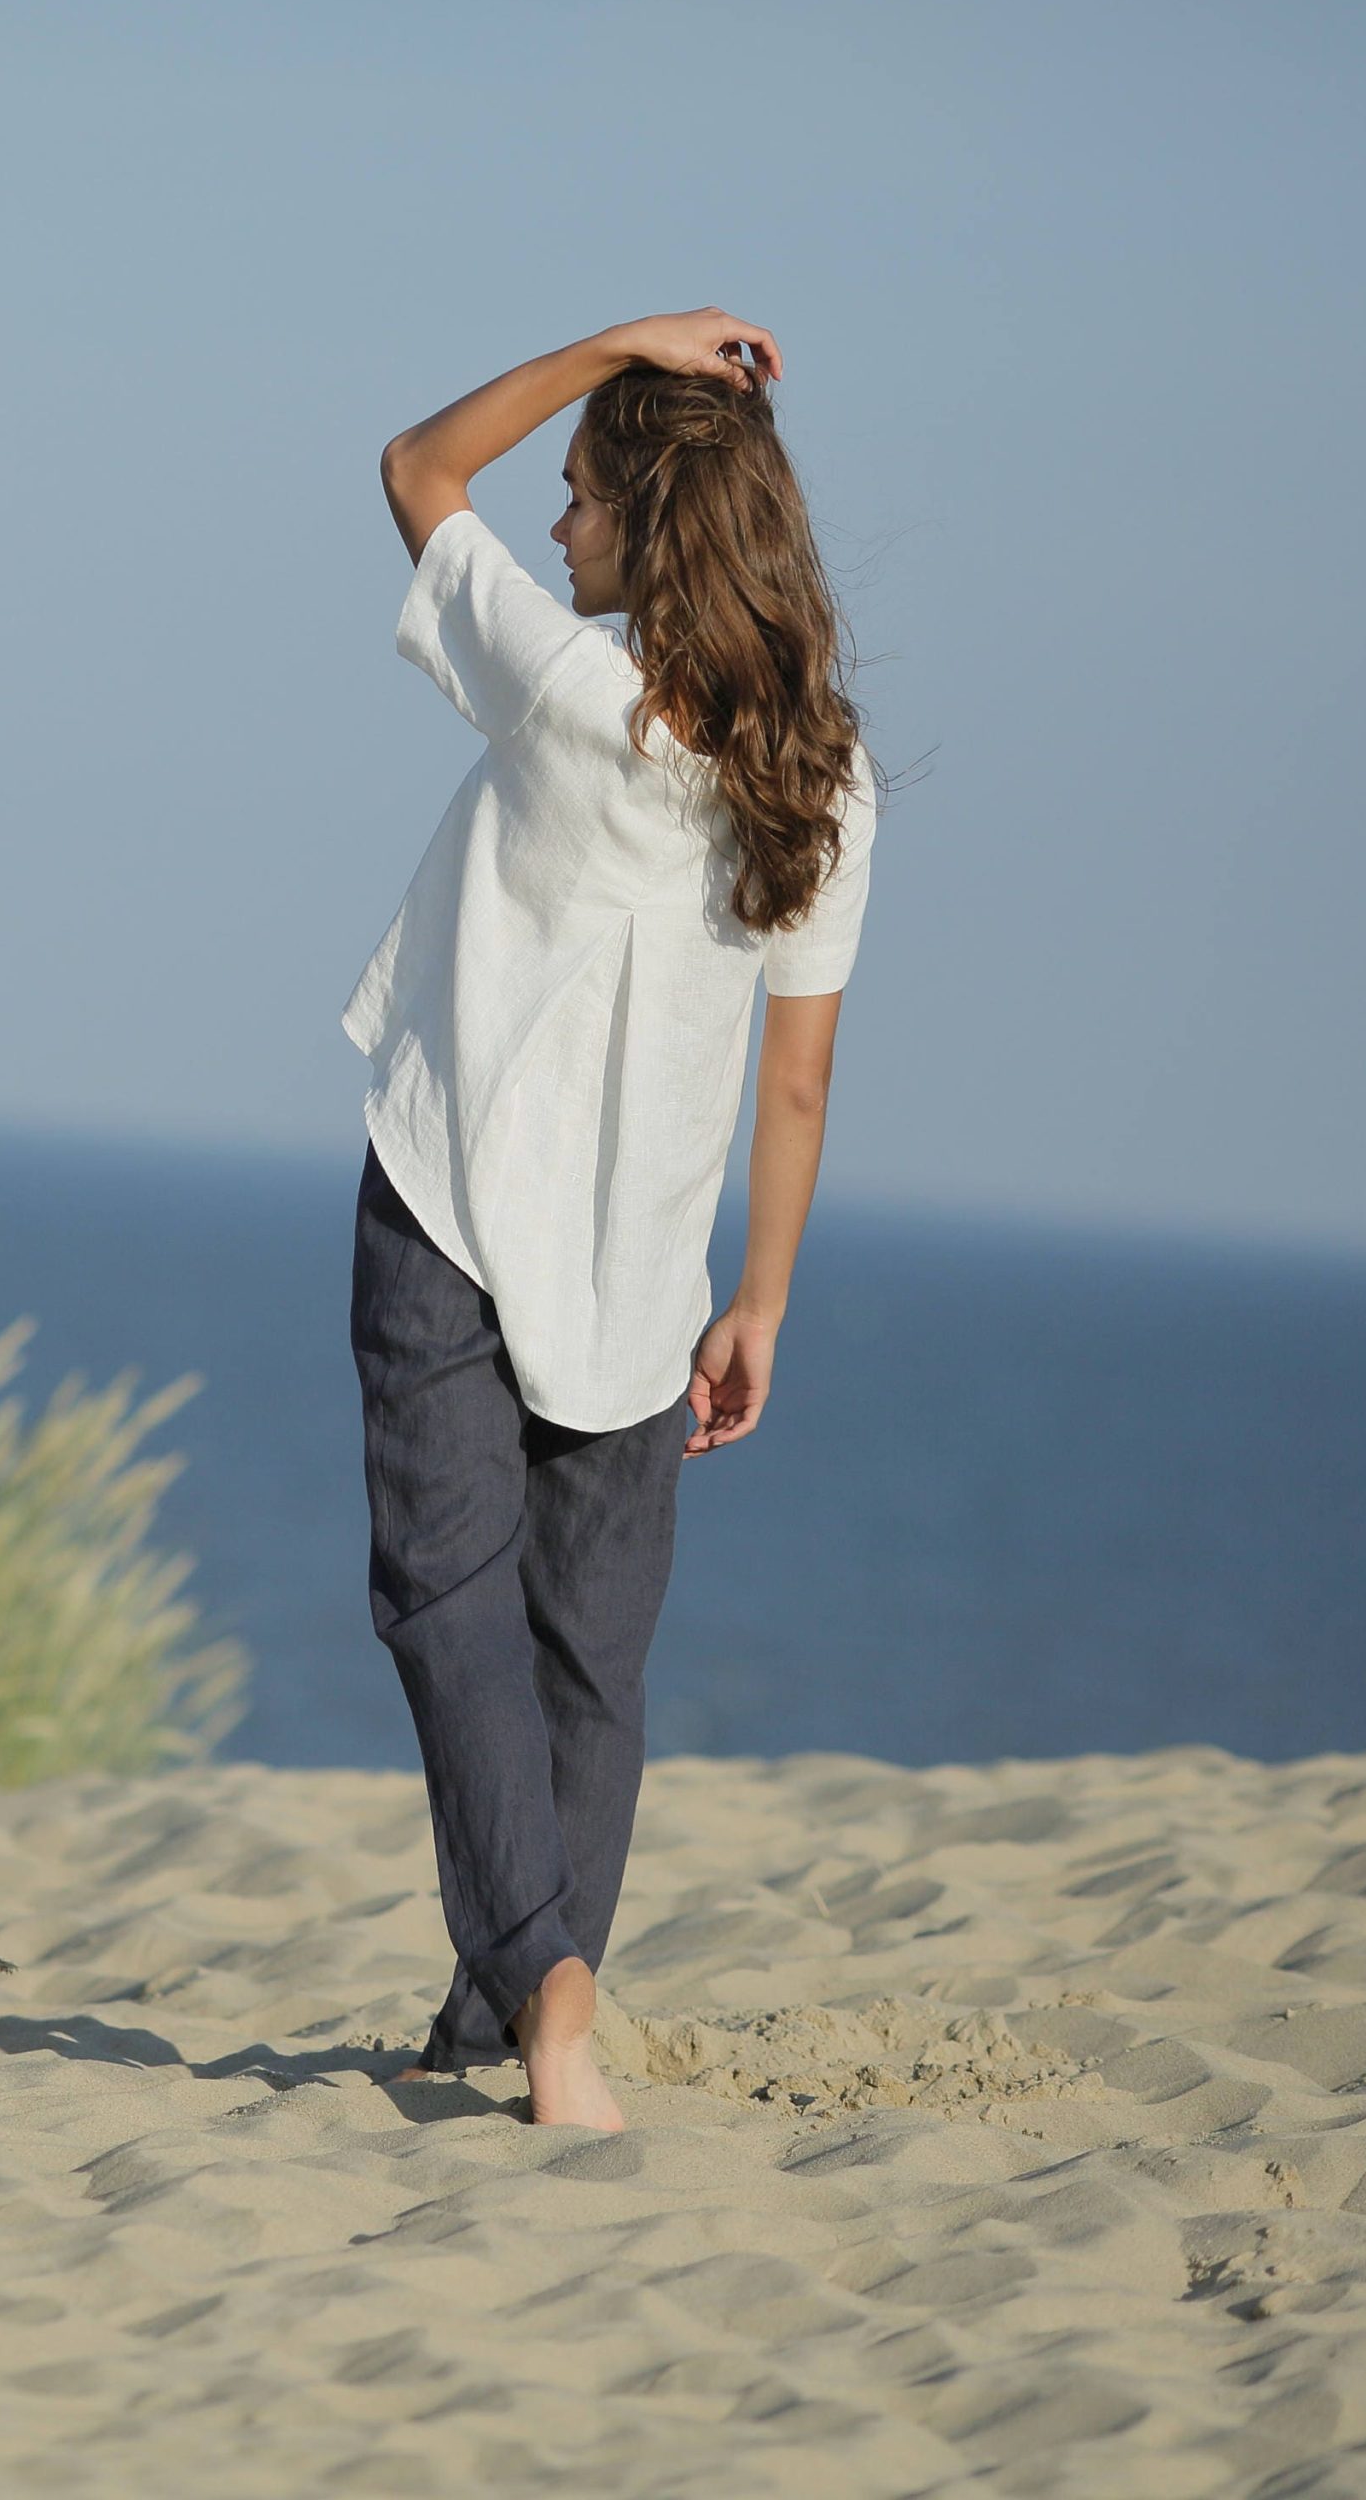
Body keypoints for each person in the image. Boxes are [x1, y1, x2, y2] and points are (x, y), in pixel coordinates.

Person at [342, 307, 882, 2130]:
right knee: (588, 1650)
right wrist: (768, 1299)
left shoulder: (567, 694)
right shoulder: (820, 780)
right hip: (649, 1275)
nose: (556, 527)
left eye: (582, 500)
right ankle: (515, 2009)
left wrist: (611, 342)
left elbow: (418, 469)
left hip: (449, 1209)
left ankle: (546, 1992)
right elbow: (797, 1083)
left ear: (654, 524)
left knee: (444, 1599)